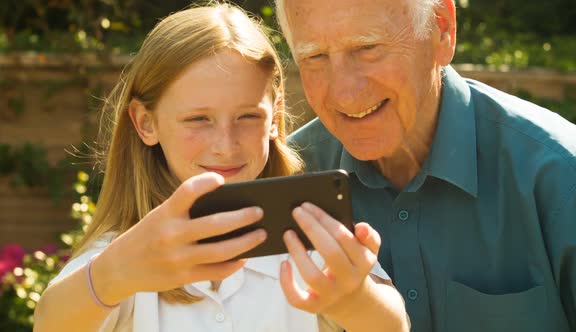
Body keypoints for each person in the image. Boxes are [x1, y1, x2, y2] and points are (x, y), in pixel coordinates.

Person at [33, 3, 410, 332]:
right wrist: (113, 274)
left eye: (248, 116)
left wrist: (354, 297)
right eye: (198, 120)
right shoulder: (129, 250)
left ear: (275, 117)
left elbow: (393, 325)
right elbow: (50, 323)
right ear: (146, 123)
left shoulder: (312, 234)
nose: (226, 144)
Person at [275, 0, 576, 331]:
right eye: (314, 57)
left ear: (442, 29)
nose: (345, 93)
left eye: (368, 47)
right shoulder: (290, 179)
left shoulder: (566, 181)